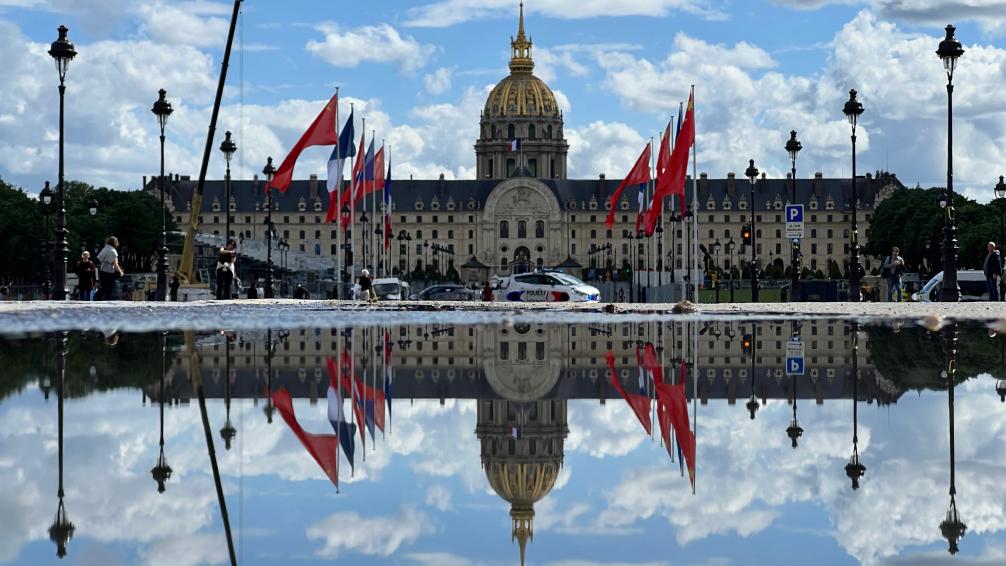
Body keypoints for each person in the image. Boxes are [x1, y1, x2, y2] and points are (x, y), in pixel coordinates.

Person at [96, 237, 124, 301]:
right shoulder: (113, 251)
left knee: (103, 287)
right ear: (114, 242)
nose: (118, 243)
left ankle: (97, 298)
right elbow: (115, 264)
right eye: (117, 242)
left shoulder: (105, 248)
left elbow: (99, 258)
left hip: (102, 270)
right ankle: (105, 300)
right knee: (109, 288)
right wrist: (120, 272)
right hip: (109, 271)